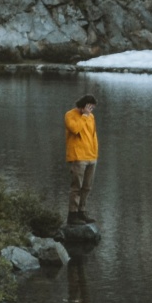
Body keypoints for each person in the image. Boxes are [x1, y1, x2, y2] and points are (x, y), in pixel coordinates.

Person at [64, 91, 98, 222]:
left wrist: (95, 153)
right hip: (78, 157)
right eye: (90, 107)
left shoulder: (91, 117)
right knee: (76, 187)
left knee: (87, 187)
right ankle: (72, 215)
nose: (91, 110)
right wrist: (84, 116)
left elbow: (93, 135)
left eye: (92, 108)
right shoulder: (70, 115)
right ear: (83, 106)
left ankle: (81, 212)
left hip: (91, 156)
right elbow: (75, 129)